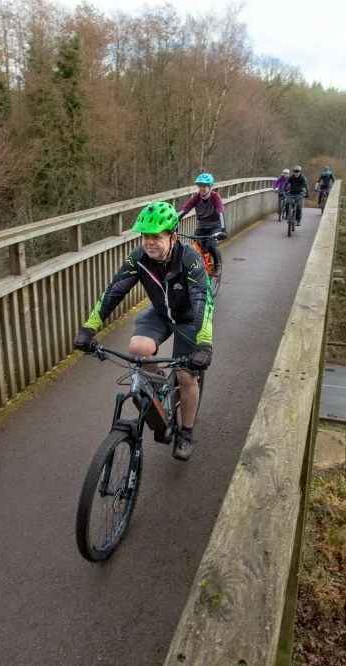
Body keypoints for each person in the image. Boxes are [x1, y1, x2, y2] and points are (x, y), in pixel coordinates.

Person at [73, 201, 213, 462]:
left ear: (172, 236)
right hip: (159, 313)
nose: (149, 243)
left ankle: (187, 433)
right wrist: (89, 328)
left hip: (187, 319)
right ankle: (160, 392)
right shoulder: (138, 258)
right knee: (138, 351)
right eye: (145, 236)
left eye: (156, 237)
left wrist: (204, 344)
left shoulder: (191, 260)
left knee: (185, 376)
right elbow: (114, 290)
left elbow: (202, 302)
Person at [177, 173, 227, 273]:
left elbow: (220, 212)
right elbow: (184, 211)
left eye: (204, 186)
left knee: (210, 245)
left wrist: (223, 229)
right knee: (195, 247)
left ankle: (217, 264)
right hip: (202, 227)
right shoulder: (196, 198)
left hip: (215, 227)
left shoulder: (215, 197)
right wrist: (172, 224)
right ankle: (198, 269)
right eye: (200, 186)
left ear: (210, 187)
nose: (202, 188)